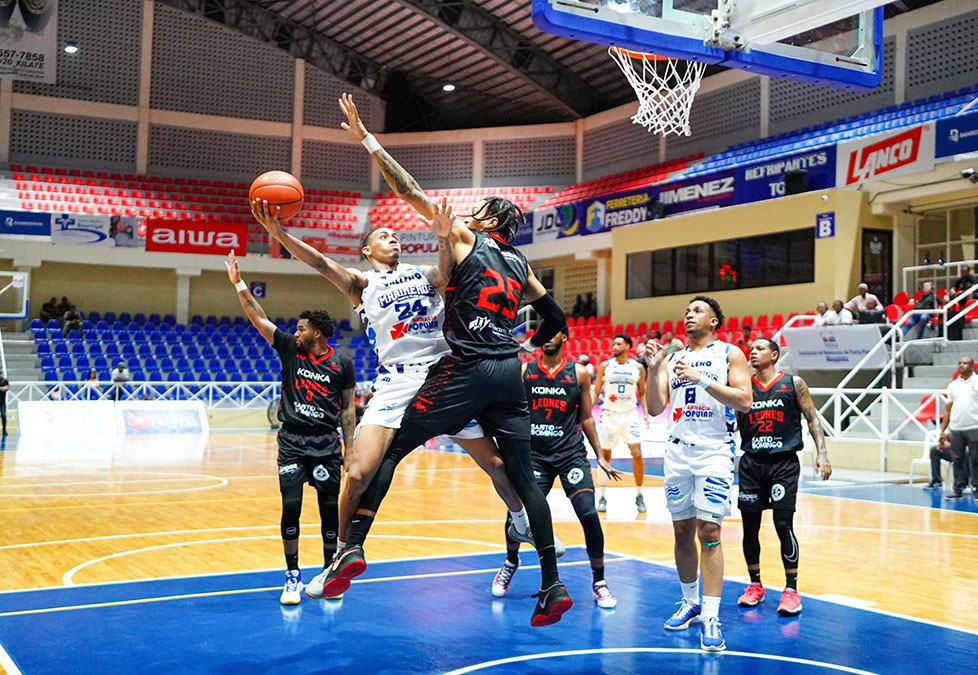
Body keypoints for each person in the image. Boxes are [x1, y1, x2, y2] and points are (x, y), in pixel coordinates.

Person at [319, 93, 573, 627]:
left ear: (489, 220)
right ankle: (552, 584)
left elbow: (406, 189)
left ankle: (351, 545)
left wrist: (367, 140)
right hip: (510, 373)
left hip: (467, 368)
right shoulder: (521, 263)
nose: (471, 213)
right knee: (524, 479)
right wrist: (526, 348)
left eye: (480, 210)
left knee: (393, 449)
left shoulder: (466, 237)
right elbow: (557, 320)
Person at [252, 149, 550, 604]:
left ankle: (523, 522)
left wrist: (443, 238)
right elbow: (319, 263)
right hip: (395, 381)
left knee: (494, 463)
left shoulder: (422, 273)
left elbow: (449, 273)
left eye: (395, 234)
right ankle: (339, 558)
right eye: (383, 235)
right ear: (367, 251)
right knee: (358, 472)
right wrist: (280, 233)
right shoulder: (362, 283)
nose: (392, 237)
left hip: (445, 374)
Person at [226, 250, 355, 605]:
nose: (294, 332)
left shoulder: (342, 363)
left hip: (326, 443)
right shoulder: (289, 349)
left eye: (301, 328)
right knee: (291, 506)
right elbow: (259, 318)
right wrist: (238, 283)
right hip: (293, 442)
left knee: (329, 512)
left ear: (317, 333)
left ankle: (328, 573)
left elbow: (347, 410)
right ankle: (292, 575)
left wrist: (351, 451)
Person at [644, 295, 752, 652]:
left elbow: (744, 400)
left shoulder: (729, 353)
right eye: (687, 310)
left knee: (710, 530)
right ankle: (690, 601)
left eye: (697, 310)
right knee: (681, 531)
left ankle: (711, 615)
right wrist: (653, 370)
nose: (689, 315)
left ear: (714, 321)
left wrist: (701, 379)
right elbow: (655, 408)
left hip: (715, 451)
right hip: (677, 452)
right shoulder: (672, 359)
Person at [491, 328, 623, 608]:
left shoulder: (579, 373)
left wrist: (600, 455)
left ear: (563, 337)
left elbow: (587, 417)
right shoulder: (525, 371)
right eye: (542, 333)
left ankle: (599, 581)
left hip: (570, 454)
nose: (546, 337)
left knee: (589, 514)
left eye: (551, 333)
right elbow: (513, 411)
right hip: (535, 456)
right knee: (517, 513)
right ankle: (511, 561)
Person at [735, 338, 832, 617]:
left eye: (760, 348)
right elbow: (733, 422)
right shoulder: (744, 388)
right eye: (751, 349)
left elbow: (813, 418)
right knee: (749, 527)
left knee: (782, 525)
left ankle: (791, 589)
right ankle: (755, 585)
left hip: (783, 464)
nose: (753, 352)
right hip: (752, 464)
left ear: (775, 355)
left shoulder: (793, 383)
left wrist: (822, 453)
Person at [594, 334, 649, 513]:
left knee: (637, 453)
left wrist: (645, 414)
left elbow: (642, 392)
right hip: (609, 414)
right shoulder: (605, 366)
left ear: (627, 346)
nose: (614, 347)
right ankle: (602, 496)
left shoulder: (638, 367)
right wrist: (587, 411)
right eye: (613, 344)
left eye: (618, 344)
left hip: (630, 414)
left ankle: (639, 494)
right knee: (605, 456)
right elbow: (596, 390)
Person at [940, 357, 978, 499]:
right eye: (960, 363)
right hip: (956, 428)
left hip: (974, 426)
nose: (962, 365)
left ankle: (976, 489)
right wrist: (943, 430)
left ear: (972, 366)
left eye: (965, 363)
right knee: (957, 459)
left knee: (975, 459)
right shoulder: (953, 385)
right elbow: (948, 409)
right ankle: (957, 489)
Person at [948, 265, 977, 341]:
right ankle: (955, 311)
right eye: (961, 271)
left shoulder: (972, 277)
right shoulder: (960, 279)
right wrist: (952, 291)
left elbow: (973, 288)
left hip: (972, 294)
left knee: (969, 293)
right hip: (961, 295)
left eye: (964, 271)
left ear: (968, 271)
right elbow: (954, 287)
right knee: (951, 295)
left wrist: (964, 291)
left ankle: (968, 311)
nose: (962, 272)